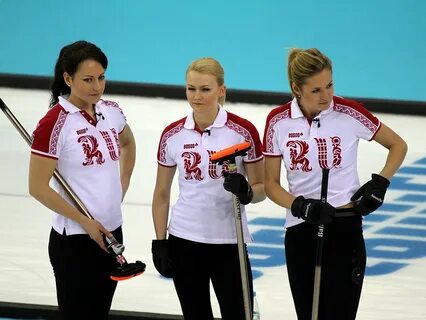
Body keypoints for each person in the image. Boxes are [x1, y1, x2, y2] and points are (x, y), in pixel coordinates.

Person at [263, 48, 407, 320]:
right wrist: (301, 206)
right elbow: (271, 184)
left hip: (344, 227)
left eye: (329, 85)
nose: (326, 95)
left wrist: (380, 183)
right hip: (301, 230)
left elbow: (398, 145)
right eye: (316, 90)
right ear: (296, 88)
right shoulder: (277, 121)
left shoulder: (349, 112)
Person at [28, 40, 136, 320]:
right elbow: (37, 187)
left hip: (112, 233)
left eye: (101, 78)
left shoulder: (110, 110)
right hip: (75, 242)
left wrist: (120, 187)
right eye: (88, 80)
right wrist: (85, 221)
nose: (97, 87)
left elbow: (127, 143)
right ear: (68, 78)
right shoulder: (54, 124)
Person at [151, 57, 265, 320]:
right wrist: (160, 241)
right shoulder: (172, 135)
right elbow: (161, 193)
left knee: (239, 314)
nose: (197, 96)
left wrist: (246, 191)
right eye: (191, 89)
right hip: (184, 241)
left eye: (205, 89)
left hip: (228, 242)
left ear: (221, 91)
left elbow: (261, 189)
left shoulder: (242, 131)